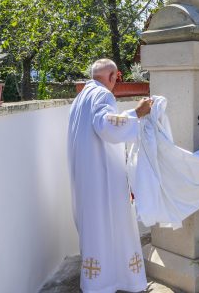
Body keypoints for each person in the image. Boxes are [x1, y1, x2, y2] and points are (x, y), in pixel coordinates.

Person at [67, 59, 152, 293]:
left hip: (85, 176)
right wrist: (137, 113)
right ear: (113, 76)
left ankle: (97, 283)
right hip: (102, 178)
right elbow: (105, 125)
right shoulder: (103, 95)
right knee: (114, 225)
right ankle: (122, 281)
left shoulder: (81, 97)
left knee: (95, 228)